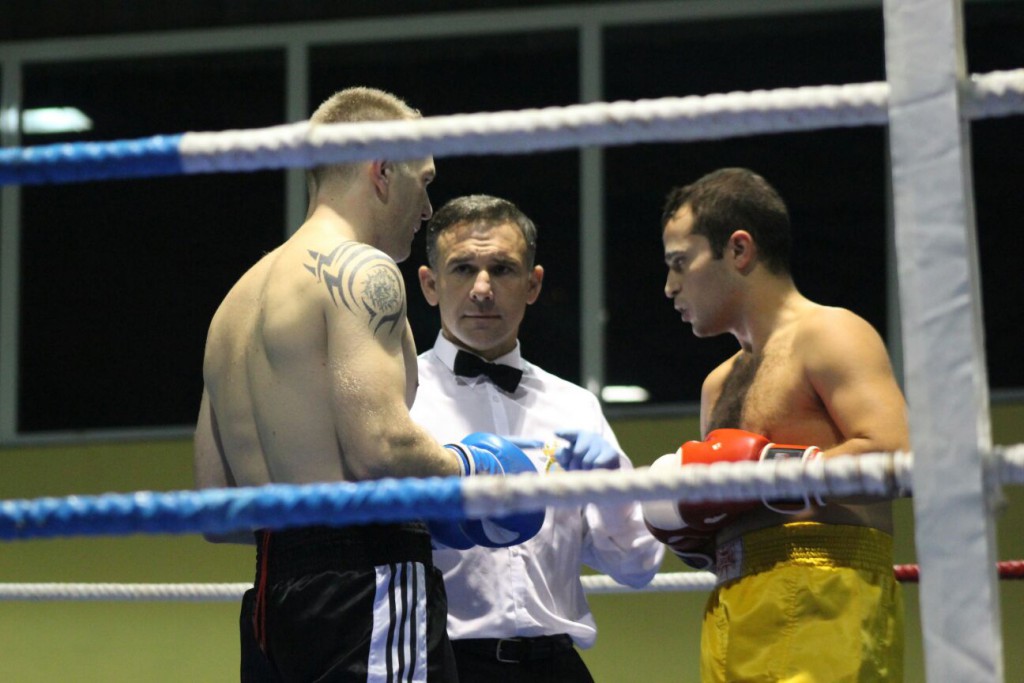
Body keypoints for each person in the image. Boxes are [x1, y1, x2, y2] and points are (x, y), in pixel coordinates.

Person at [193, 88, 543, 683]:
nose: (429, 207)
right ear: (382, 170)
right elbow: (378, 444)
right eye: (424, 180)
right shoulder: (363, 270)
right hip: (368, 585)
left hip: (273, 600)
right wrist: (478, 476)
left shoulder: (235, 303)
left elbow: (217, 509)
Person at [650, 167, 909, 681]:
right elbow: (737, 516)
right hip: (731, 608)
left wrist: (770, 473)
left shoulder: (831, 333)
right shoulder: (717, 384)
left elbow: (897, 459)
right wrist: (685, 531)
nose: (669, 286)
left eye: (681, 263)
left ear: (739, 250)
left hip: (826, 603)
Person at [410, 194, 664, 683]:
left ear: (533, 283)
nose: (482, 289)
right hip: (441, 664)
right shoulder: (400, 403)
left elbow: (638, 567)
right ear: (430, 284)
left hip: (556, 665)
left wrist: (611, 487)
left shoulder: (574, 405)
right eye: (462, 268)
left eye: (502, 269)